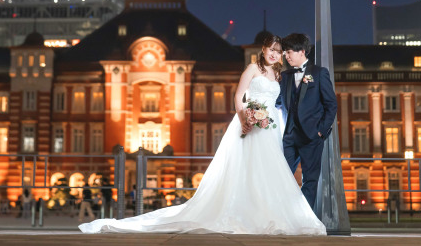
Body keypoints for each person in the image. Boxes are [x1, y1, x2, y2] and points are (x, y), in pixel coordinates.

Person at [79, 34, 326, 235]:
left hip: (270, 129)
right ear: (263, 50)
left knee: (268, 172)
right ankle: (244, 214)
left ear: (281, 53)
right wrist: (245, 117)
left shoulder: (279, 74)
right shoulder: (252, 68)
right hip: (249, 125)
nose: (273, 53)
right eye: (270, 49)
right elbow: (238, 95)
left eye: (277, 50)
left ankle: (269, 214)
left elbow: (287, 103)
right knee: (244, 170)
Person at [279, 33, 338, 211]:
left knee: (310, 181)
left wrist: (321, 131)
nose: (286, 56)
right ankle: (286, 216)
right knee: (281, 177)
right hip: (289, 137)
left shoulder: (319, 73)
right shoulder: (285, 76)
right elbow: (278, 102)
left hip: (312, 136)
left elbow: (331, 104)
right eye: (285, 53)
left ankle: (305, 221)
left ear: (302, 51)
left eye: (289, 52)